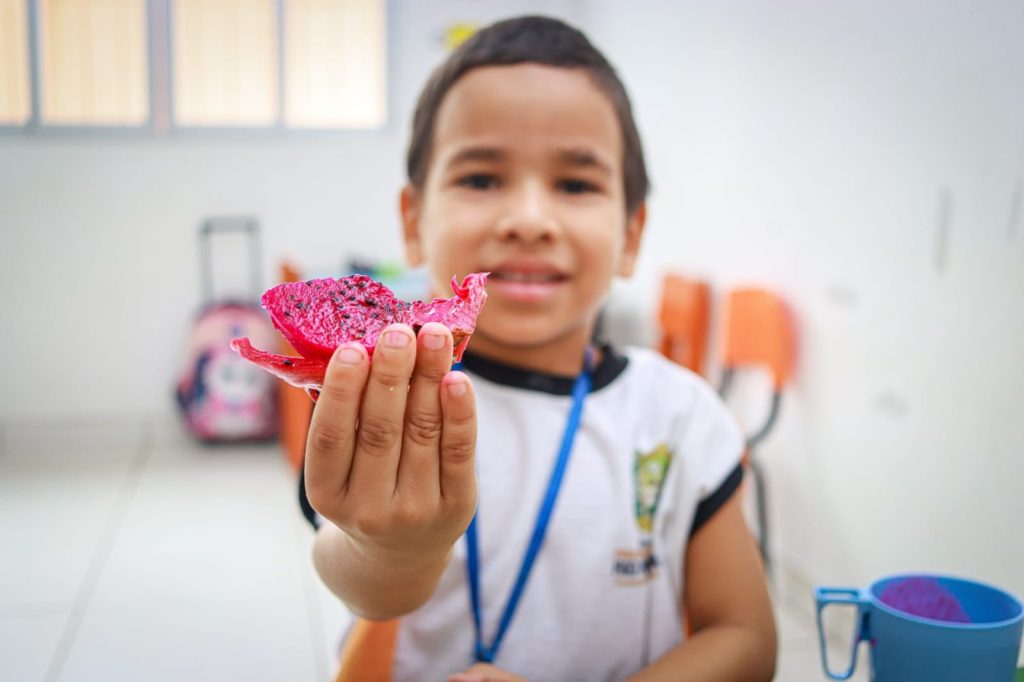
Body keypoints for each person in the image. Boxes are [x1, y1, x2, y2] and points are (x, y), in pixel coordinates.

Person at [301, 15, 777, 682]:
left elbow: (745, 638)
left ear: (631, 234)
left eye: (576, 184)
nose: (528, 220)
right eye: (481, 179)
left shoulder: (683, 417)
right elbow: (358, 578)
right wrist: (394, 554)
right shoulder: (388, 394)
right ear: (413, 222)